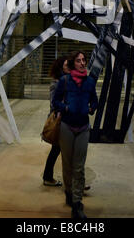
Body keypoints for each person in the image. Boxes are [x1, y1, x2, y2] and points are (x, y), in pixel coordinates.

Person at [52, 50, 98, 220]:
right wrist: (64, 108)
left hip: (83, 127)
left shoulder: (90, 82)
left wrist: (92, 108)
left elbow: (95, 100)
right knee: (67, 165)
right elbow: (55, 101)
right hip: (67, 127)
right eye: (79, 60)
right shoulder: (64, 81)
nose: (82, 63)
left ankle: (77, 204)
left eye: (84, 60)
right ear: (73, 64)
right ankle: (69, 192)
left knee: (79, 167)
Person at [43, 56, 70, 186]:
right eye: (66, 65)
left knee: (57, 150)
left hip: (66, 120)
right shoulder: (57, 83)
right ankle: (74, 182)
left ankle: (48, 177)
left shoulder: (67, 80)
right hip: (60, 120)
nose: (69, 66)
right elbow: (54, 104)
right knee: (61, 151)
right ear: (61, 67)